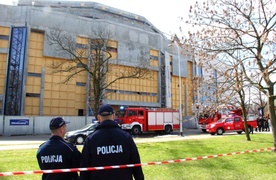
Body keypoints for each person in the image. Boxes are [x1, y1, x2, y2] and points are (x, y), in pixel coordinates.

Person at [80, 104, 144, 180]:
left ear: (99, 118)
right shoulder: (126, 137)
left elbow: (84, 169)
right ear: (113, 116)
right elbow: (136, 165)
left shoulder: (91, 140)